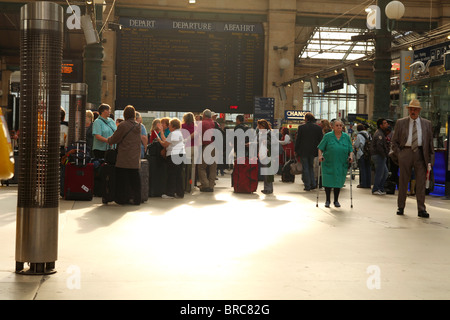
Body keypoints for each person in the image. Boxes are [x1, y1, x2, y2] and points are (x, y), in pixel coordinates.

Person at [391, 99, 434, 218]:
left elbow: (430, 143)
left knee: (420, 183)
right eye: (411, 109)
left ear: (419, 110)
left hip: (421, 154)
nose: (413, 111)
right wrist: (399, 154)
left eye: (415, 109)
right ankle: (401, 207)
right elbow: (394, 142)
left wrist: (431, 159)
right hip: (405, 152)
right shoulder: (401, 122)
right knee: (403, 181)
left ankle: (421, 209)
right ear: (408, 110)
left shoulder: (427, 124)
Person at [107, 105, 142, 205]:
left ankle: (122, 199)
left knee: (122, 180)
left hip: (124, 157)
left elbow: (115, 139)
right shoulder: (138, 126)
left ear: (125, 114)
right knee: (135, 180)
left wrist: (109, 140)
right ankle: (137, 199)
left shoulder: (123, 125)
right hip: (135, 157)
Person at [318, 119, 353, 207]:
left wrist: (351, 157)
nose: (339, 127)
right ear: (332, 127)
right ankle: (327, 200)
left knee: (338, 181)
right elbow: (320, 148)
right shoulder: (327, 136)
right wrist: (320, 156)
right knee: (328, 181)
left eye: (340, 125)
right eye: (337, 125)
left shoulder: (346, 137)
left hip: (341, 163)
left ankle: (336, 200)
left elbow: (350, 149)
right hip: (328, 163)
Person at [157, 118, 186, 199]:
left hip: (173, 155)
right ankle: (180, 193)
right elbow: (167, 141)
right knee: (178, 174)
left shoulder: (172, 134)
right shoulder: (179, 133)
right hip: (181, 154)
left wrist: (159, 140)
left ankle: (170, 193)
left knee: (171, 174)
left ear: (173, 126)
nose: (169, 126)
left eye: (169, 125)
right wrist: (162, 132)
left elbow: (165, 144)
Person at [295, 112, 323, 191]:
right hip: (314, 151)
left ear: (306, 119)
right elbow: (321, 140)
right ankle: (313, 184)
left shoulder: (301, 127)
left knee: (306, 168)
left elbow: (298, 140)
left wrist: (296, 150)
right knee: (311, 167)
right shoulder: (318, 128)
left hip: (303, 151)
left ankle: (307, 185)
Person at [197, 109, 217, 192]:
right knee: (213, 167)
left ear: (204, 115)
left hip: (206, 146)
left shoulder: (202, 123)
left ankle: (205, 185)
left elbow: (197, 134)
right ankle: (211, 186)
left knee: (201, 167)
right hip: (213, 146)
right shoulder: (213, 123)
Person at [371, 118, 390, 195]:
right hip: (378, 155)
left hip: (380, 155)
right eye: (385, 123)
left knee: (385, 173)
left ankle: (380, 188)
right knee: (380, 173)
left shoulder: (381, 133)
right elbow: (379, 147)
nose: (387, 124)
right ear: (381, 125)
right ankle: (375, 189)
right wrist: (384, 155)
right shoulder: (379, 134)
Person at [257, 119, 274, 194]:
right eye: (259, 126)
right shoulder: (260, 133)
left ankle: (268, 188)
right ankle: (267, 188)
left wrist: (267, 142)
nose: (259, 128)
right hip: (263, 154)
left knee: (268, 172)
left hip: (268, 154)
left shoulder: (269, 133)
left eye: (261, 126)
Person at [353, 123, 371, 189]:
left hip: (361, 153)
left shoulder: (359, 135)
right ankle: (368, 184)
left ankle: (363, 183)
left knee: (362, 169)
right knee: (368, 168)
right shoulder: (368, 134)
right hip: (368, 153)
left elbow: (357, 145)